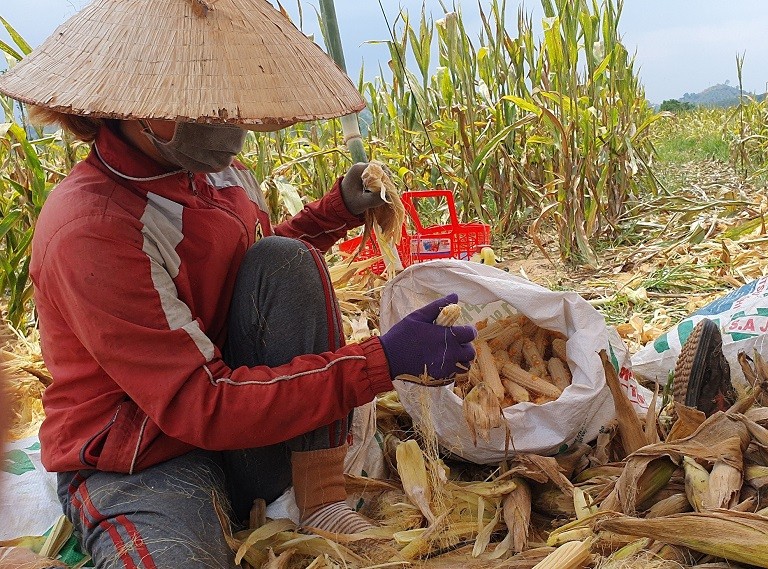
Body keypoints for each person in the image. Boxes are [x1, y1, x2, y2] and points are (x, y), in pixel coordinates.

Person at [0, 0, 477, 567]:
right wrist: (380, 362)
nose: (229, 124)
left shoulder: (214, 173)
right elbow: (199, 401)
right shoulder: (93, 229)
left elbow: (260, 271)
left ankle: (319, 494)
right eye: (201, 104)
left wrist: (337, 209)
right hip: (148, 454)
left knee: (285, 259)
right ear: (135, 104)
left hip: (245, 428)